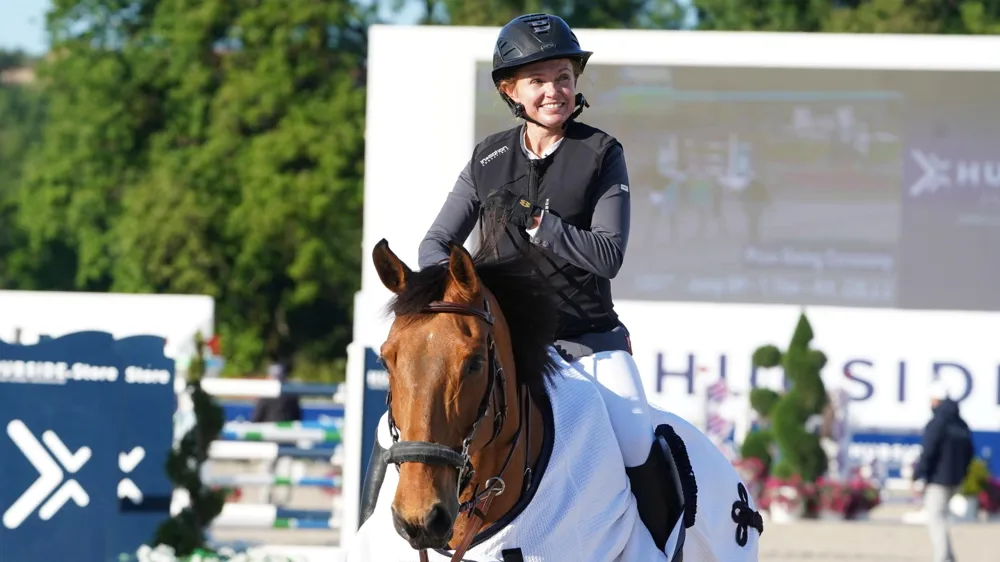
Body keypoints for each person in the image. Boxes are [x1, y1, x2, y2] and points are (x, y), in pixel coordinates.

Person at [413, 12, 678, 552]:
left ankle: (659, 544)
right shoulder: (487, 158)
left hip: (585, 339)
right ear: (511, 90)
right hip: (506, 342)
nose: (554, 91)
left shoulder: (602, 153)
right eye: (538, 81)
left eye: (563, 77)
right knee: (412, 428)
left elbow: (608, 256)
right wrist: (463, 292)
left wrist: (538, 222)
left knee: (635, 440)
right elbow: (433, 245)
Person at [912, 380, 974, 562]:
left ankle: (943, 558)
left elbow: (929, 450)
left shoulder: (937, 423)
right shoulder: (961, 423)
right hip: (956, 479)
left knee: (936, 520)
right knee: (942, 519)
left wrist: (919, 474)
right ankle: (950, 558)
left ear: (935, 400)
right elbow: (969, 451)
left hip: (938, 480)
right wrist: (963, 473)